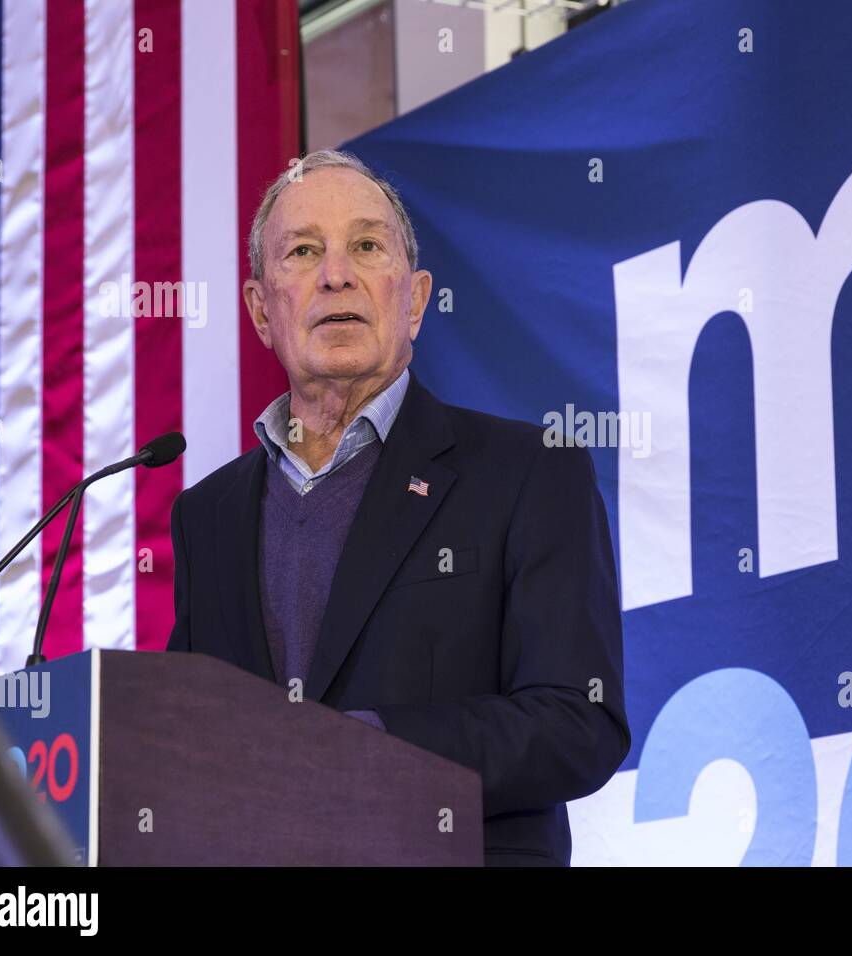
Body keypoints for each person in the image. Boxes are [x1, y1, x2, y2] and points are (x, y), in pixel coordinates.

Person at [166, 148, 630, 866]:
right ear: (262, 310)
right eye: (302, 251)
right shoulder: (208, 515)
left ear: (413, 300)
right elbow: (191, 745)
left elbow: (578, 722)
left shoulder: (529, 472)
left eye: (366, 245)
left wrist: (365, 747)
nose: (336, 273)